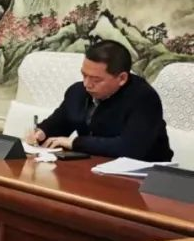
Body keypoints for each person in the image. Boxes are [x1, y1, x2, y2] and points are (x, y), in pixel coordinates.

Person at [26, 40, 172, 160]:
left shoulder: (144, 98)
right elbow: (59, 123)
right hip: (91, 167)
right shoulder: (77, 92)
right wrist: (41, 132)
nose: (87, 84)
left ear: (122, 78)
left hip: (146, 176)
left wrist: (75, 143)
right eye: (84, 75)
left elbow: (130, 148)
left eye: (96, 80)